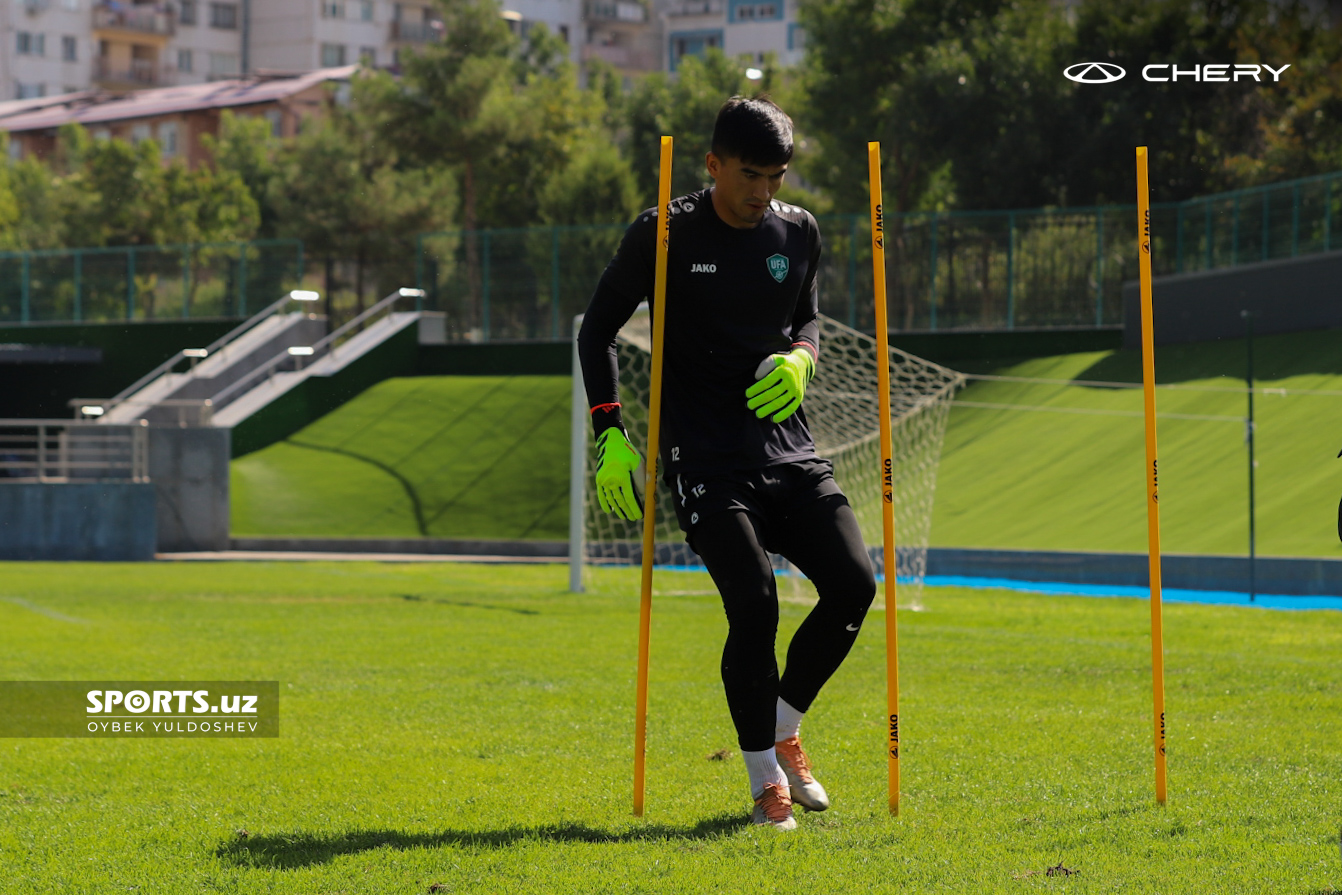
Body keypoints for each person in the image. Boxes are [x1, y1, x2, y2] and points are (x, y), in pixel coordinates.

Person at [577, 96, 876, 831]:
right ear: (712, 164)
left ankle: (784, 726)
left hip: (790, 449)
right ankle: (764, 779)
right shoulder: (664, 232)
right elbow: (597, 333)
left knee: (854, 584)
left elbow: (806, 315)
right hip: (706, 458)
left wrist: (804, 358)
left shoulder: (798, 231)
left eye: (774, 176)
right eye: (748, 175)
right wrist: (610, 433)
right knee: (755, 601)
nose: (761, 193)